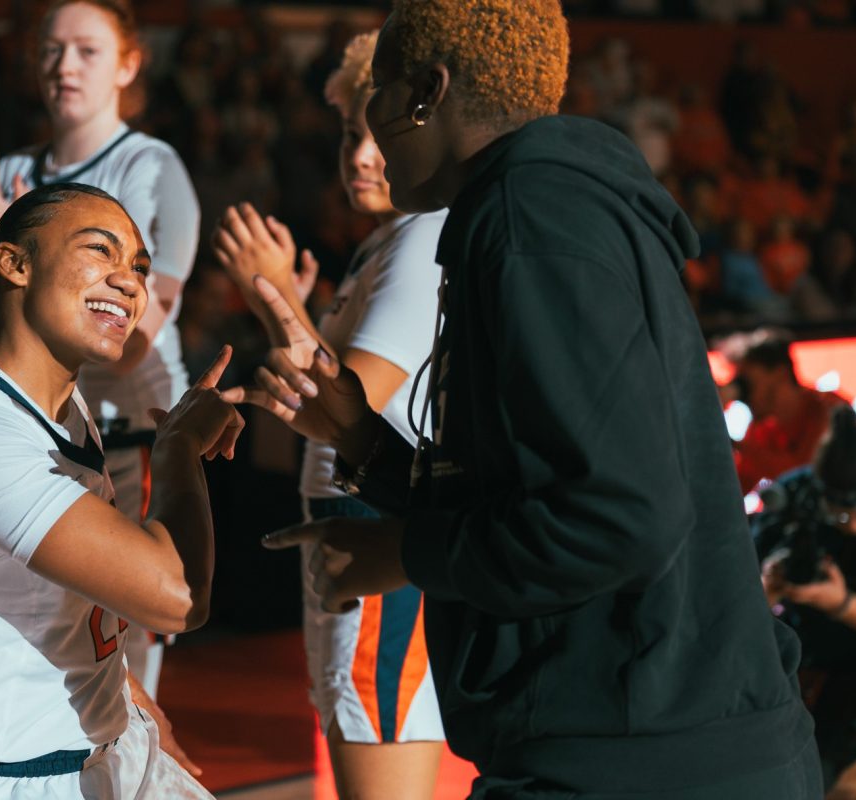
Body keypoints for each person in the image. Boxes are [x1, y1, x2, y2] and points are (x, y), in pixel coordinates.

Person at [225, 1, 822, 797]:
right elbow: (535, 491)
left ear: (426, 94)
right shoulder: (531, 207)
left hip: (638, 753)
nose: (367, 126)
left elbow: (619, 517)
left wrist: (402, 552)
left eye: (380, 92)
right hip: (645, 737)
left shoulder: (530, 216)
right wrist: (363, 441)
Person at [0, 183, 238, 799]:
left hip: (70, 761)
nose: (130, 282)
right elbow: (177, 598)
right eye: (102, 251)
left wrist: (128, 702)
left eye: (140, 268)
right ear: (14, 263)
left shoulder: (59, 407)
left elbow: (58, 603)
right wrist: (175, 448)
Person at [0, 0, 198, 697]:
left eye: (86, 50)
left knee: (123, 657)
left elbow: (132, 339)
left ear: (129, 65)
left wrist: (13, 245)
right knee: (36, 653)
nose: (64, 66)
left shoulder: (152, 165)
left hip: (122, 435)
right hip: (22, 440)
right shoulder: (11, 168)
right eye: (51, 50)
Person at [213, 31, 446, 800]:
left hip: (379, 537)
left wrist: (273, 298)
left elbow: (345, 401)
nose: (361, 156)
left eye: (381, 136)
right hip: (361, 535)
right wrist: (304, 311)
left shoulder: (421, 238)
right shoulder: (386, 242)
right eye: (351, 133)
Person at [756, 405, 856, 795]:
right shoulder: (791, 500)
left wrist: (841, 602)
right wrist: (766, 590)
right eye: (844, 516)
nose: (855, 526)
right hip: (790, 667)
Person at [729, 328, 846, 493]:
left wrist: (737, 445)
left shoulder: (827, 409)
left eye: (747, 382)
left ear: (780, 373)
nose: (743, 394)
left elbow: (805, 472)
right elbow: (735, 489)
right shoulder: (761, 429)